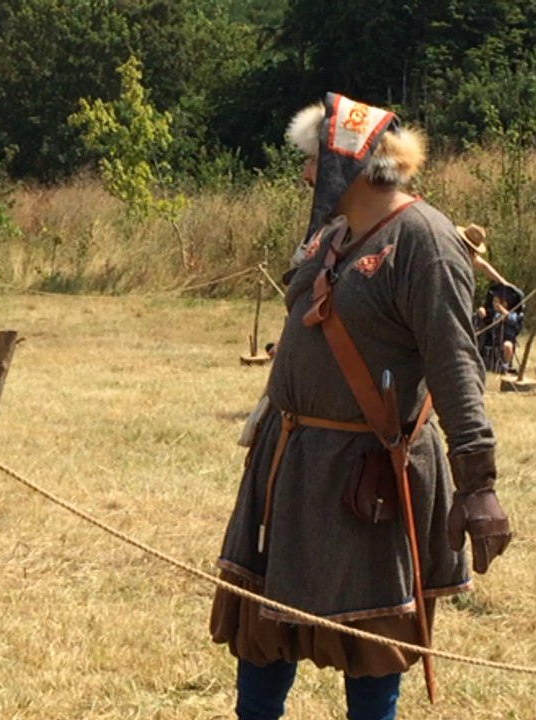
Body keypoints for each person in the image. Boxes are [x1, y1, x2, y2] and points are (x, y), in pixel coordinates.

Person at [210, 94, 512, 719]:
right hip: (289, 461)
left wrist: (477, 483)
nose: (305, 176)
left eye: (313, 162)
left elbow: (456, 365)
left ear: (347, 164)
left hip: (366, 474)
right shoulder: (332, 236)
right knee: (263, 629)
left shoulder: (424, 241)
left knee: (373, 641)